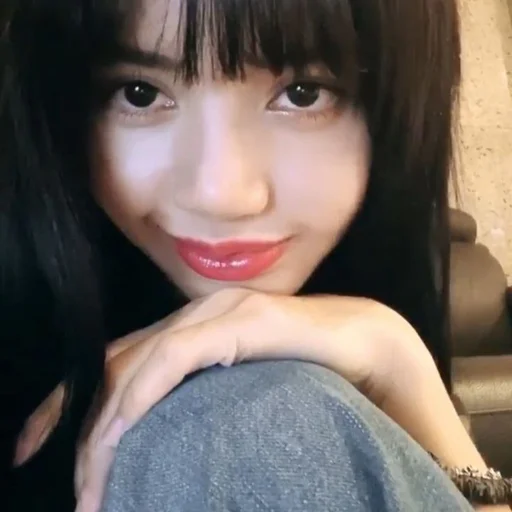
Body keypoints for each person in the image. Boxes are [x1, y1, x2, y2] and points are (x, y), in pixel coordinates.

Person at [1, 0, 509, 511]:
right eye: (140, 92)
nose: (220, 194)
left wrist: (399, 367)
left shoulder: (364, 341)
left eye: (303, 94)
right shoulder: (253, 425)